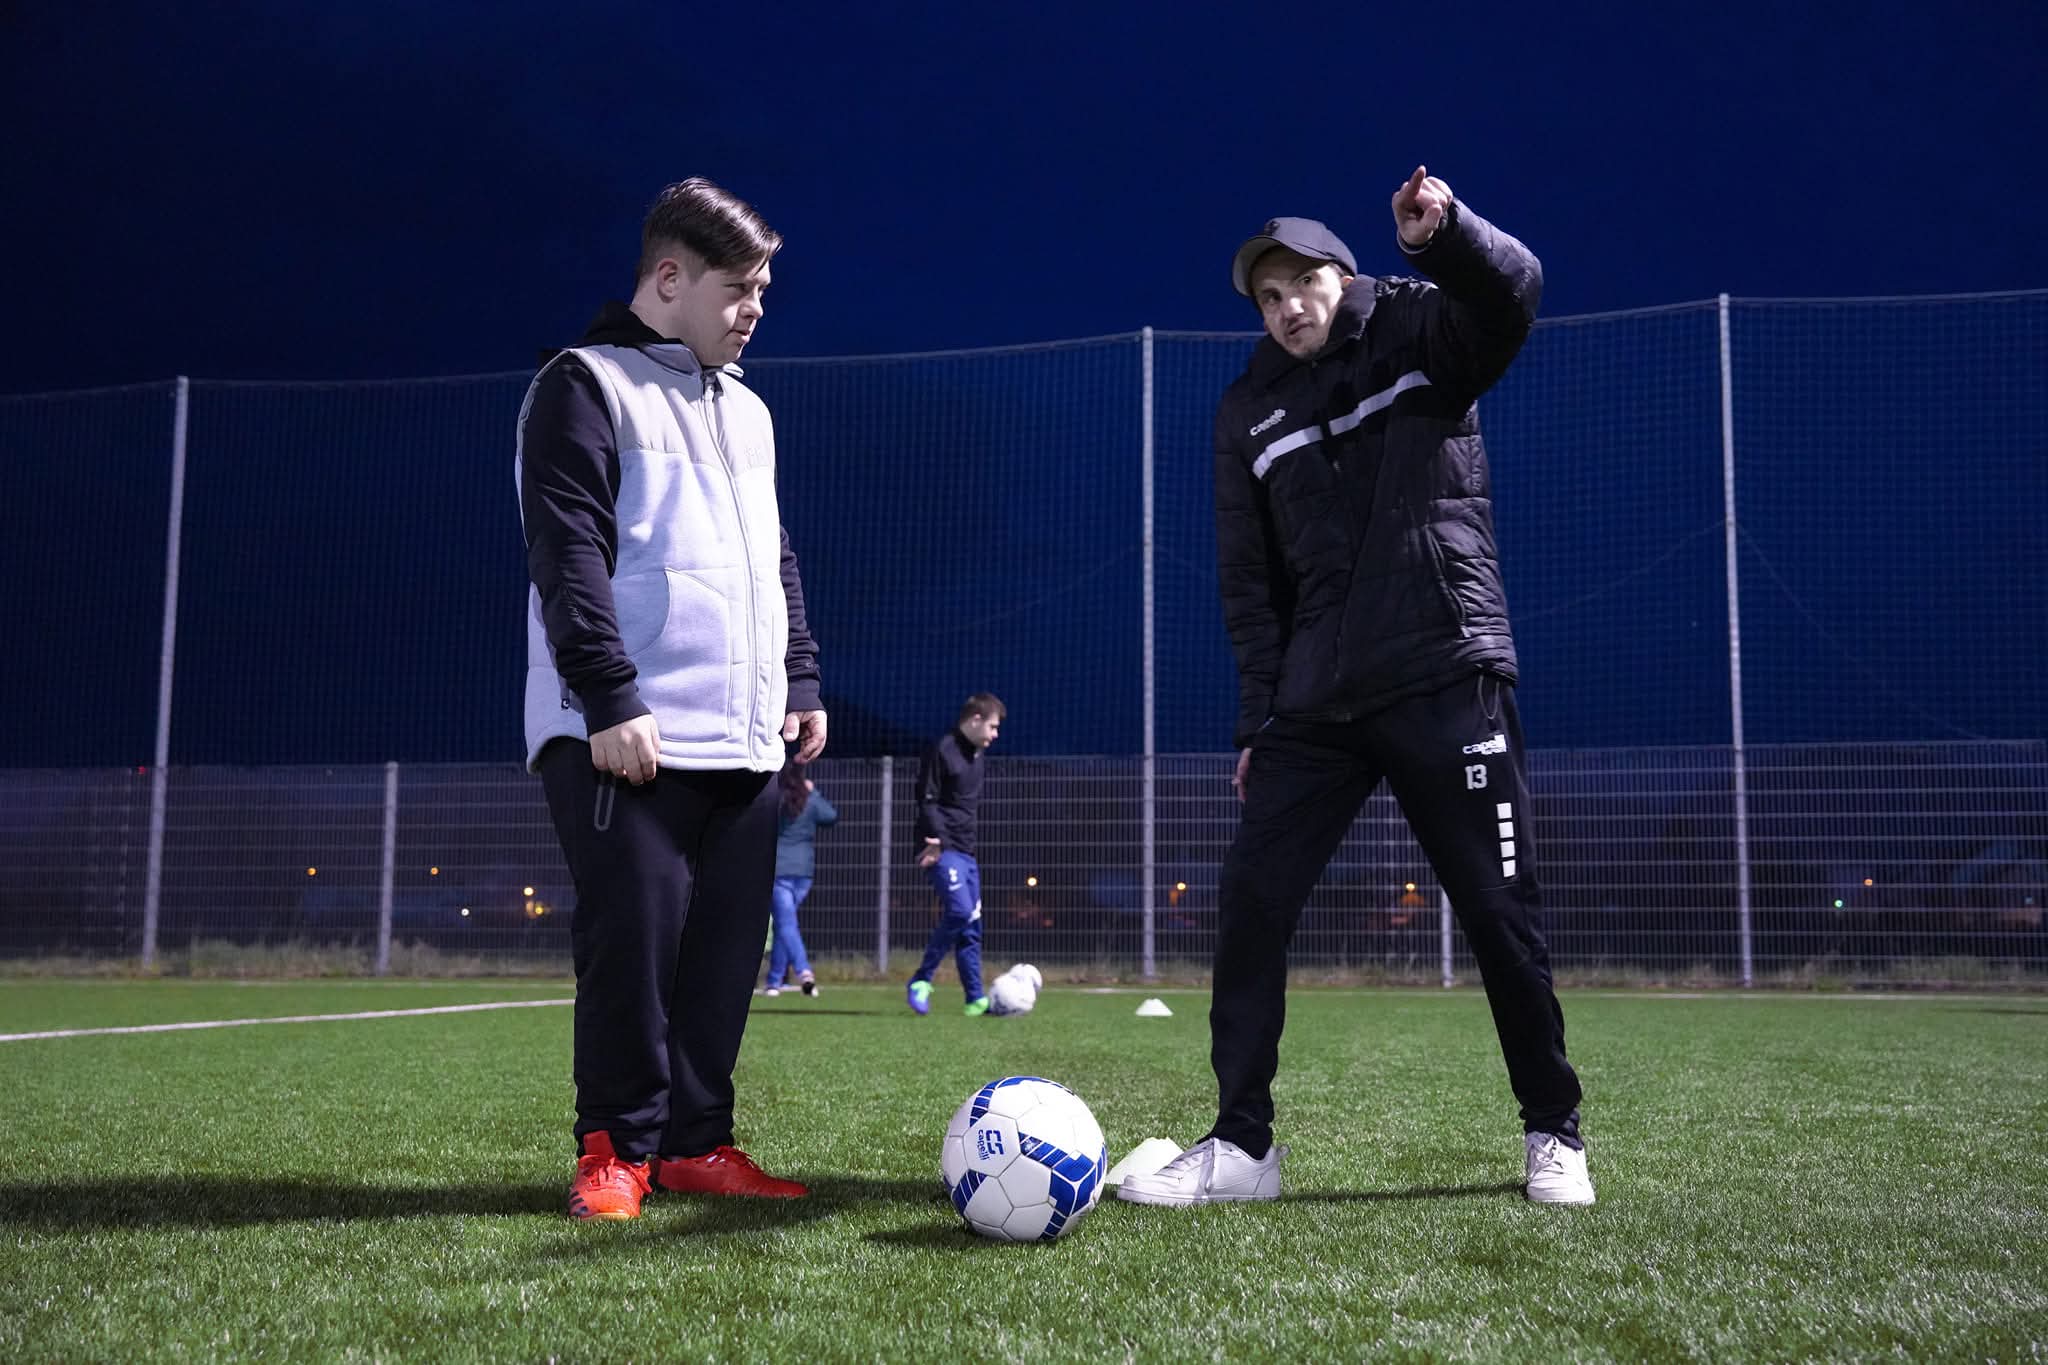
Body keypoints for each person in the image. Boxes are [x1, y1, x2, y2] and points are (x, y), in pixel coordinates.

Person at [1118, 167, 1593, 1209]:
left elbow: (1513, 293)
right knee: (1250, 899)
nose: (1287, 307)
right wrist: (1259, 719)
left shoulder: (1418, 329)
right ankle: (1242, 1147)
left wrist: (1446, 233)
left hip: (1441, 667)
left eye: (1302, 283)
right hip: (1315, 701)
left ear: (1342, 275)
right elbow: (1250, 584)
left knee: (1497, 909)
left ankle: (1553, 1130)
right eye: (1267, 296)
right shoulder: (1246, 410)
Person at [518, 177, 827, 1221]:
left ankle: (697, 1144)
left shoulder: (749, 409)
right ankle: (613, 1150)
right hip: (624, 730)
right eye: (739, 288)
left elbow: (772, 557)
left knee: (723, 956)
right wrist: (608, 697)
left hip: (742, 735)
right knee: (634, 947)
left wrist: (799, 677)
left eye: (763, 290)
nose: (755, 308)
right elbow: (567, 552)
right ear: (667, 277)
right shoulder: (584, 384)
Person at [906, 693, 1004, 1017]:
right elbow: (927, 799)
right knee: (960, 911)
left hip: (967, 852)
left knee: (971, 925)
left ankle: (975, 999)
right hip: (941, 847)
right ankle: (921, 979)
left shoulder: (977, 754)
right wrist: (935, 839)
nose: (995, 734)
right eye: (992, 726)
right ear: (975, 719)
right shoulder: (943, 749)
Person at [765, 761, 836, 997]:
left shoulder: (775, 799)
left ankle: (804, 972)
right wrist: (813, 792)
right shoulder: (810, 800)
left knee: (786, 924)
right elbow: (831, 815)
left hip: (778, 870)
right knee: (786, 924)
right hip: (803, 873)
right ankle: (775, 981)